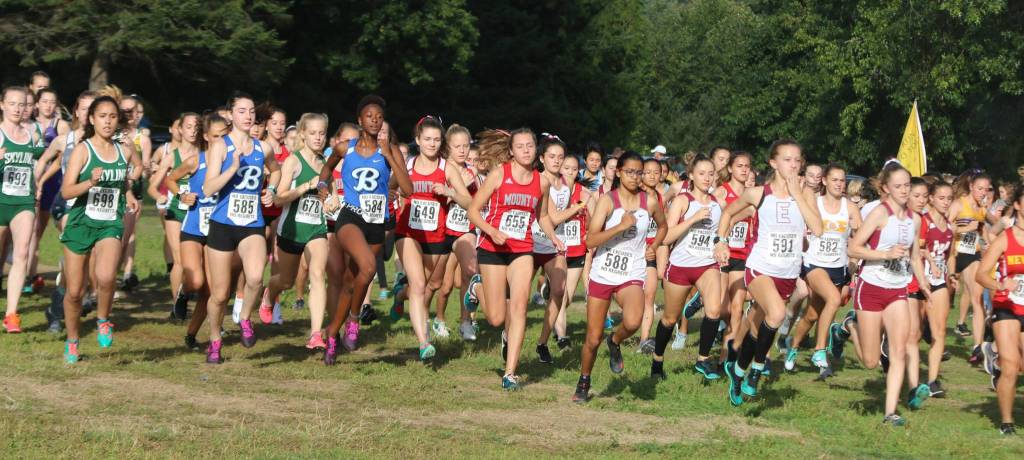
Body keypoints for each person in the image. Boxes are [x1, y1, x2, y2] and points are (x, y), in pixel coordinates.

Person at [714, 139, 823, 406]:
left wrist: (798, 194)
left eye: (798, 160)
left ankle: (738, 371)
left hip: (787, 273)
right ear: (773, 163)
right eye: (787, 159)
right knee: (776, 314)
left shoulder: (806, 195)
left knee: (757, 324)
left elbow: (818, 230)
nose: (793, 165)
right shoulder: (758, 194)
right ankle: (757, 369)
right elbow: (728, 213)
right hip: (760, 268)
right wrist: (721, 241)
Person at [317, 95, 412, 364]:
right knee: (369, 268)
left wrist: (390, 156)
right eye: (369, 116)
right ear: (360, 120)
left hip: (376, 222)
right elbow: (326, 170)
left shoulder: (389, 149)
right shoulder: (344, 148)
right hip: (350, 217)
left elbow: (408, 189)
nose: (374, 120)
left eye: (379, 117)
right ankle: (355, 319)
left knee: (352, 281)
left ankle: (332, 335)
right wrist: (323, 186)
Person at [832, 162, 929, 426]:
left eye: (907, 185)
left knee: (898, 350)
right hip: (871, 287)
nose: (904, 190)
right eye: (898, 186)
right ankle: (850, 325)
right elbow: (853, 249)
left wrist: (923, 283)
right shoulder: (879, 214)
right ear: (885, 188)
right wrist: (885, 254)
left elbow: (915, 257)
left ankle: (890, 413)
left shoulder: (915, 220)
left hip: (898, 290)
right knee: (871, 361)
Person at [466, 128, 563, 390]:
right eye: (520, 146)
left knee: (518, 308)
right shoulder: (499, 175)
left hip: (522, 249)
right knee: (496, 318)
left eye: (530, 146)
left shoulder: (541, 182)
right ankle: (476, 287)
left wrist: (553, 236)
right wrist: (492, 231)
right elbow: (473, 212)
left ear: (536, 149)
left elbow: (542, 215)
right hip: (493, 247)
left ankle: (510, 373)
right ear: (511, 151)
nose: (526, 150)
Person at [572, 152, 666, 402]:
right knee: (592, 339)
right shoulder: (607, 201)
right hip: (603, 273)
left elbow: (664, 226)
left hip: (632, 272)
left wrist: (654, 245)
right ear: (619, 172)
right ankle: (584, 380)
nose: (636, 177)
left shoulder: (650, 201)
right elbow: (590, 240)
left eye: (640, 172)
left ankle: (614, 341)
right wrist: (619, 227)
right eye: (630, 172)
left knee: (634, 321)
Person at [58, 95, 141, 362]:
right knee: (74, 291)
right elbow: (66, 190)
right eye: (102, 116)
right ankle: (72, 340)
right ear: (92, 119)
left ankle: (103, 319)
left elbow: (137, 167)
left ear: (118, 120)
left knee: (106, 278)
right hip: (81, 222)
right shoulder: (83, 150)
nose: (107, 121)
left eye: (113, 116)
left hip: (109, 223)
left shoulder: (124, 150)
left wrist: (127, 190)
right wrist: (89, 184)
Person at [201, 92, 281, 363]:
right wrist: (231, 168)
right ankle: (214, 339)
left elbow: (276, 170)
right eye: (242, 111)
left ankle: (245, 318)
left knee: (256, 277)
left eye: (250, 112)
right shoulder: (221, 147)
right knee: (220, 294)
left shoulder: (263, 148)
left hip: (252, 223)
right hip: (223, 224)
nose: (248, 116)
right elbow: (208, 187)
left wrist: (271, 190)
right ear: (231, 115)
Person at [392, 116, 473, 359]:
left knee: (428, 285)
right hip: (408, 232)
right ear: (417, 140)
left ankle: (399, 295)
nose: (432, 144)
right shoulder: (406, 165)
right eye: (427, 139)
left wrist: (450, 191)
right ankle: (424, 342)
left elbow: (469, 201)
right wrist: (392, 196)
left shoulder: (446, 168)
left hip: (435, 235)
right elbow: (388, 187)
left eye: (437, 140)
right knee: (418, 285)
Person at [263, 113, 330, 349]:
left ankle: (315, 334)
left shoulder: (325, 165)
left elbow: (327, 199)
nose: (318, 138)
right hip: (291, 229)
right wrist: (303, 187)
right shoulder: (294, 161)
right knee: (286, 281)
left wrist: (331, 202)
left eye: (322, 133)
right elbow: (279, 200)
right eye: (313, 133)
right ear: (303, 134)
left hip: (316, 228)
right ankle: (269, 295)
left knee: (318, 275)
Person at [785, 164, 860, 372]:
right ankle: (820, 350)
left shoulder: (850, 207)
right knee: (834, 300)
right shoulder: (814, 202)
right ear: (825, 181)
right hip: (814, 263)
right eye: (834, 179)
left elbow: (860, 238)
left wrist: (854, 262)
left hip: (838, 267)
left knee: (811, 315)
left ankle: (793, 345)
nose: (839, 184)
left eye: (842, 180)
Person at [656, 154, 724, 380]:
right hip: (681, 266)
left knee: (714, 310)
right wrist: (693, 219)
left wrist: (721, 244)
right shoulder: (683, 200)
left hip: (707, 264)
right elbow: (666, 237)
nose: (707, 178)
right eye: (702, 173)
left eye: (711, 174)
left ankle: (703, 360)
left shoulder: (717, 203)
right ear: (692, 176)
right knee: (669, 318)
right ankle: (657, 360)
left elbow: (720, 234)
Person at [164, 113, 228, 349]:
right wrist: (182, 195)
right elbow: (170, 179)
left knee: (211, 291)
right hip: (192, 228)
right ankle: (183, 290)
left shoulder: (232, 164)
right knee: (196, 281)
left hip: (217, 232)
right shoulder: (196, 161)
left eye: (224, 136)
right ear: (205, 137)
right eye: (215, 136)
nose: (221, 141)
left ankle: (191, 335)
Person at [35, 90, 97, 332]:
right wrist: (36, 183)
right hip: (67, 205)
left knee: (81, 266)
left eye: (92, 109)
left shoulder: (105, 143)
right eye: (83, 108)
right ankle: (67, 306)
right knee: (78, 253)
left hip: (93, 207)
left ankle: (55, 309)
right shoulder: (65, 140)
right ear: (77, 111)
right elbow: (44, 160)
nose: (87, 113)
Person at [975, 186, 1024, 435]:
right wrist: (1000, 284)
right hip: (1007, 306)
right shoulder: (1006, 238)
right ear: (1017, 205)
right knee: (1011, 365)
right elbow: (981, 274)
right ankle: (1006, 423)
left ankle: (994, 364)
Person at [428, 124, 483, 341]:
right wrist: (451, 193)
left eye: (466, 146)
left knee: (470, 272)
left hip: (465, 230)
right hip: (444, 231)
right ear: (446, 147)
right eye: (457, 146)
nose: (462, 150)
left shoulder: (472, 173)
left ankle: (465, 321)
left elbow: (475, 203)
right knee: (443, 283)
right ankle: (438, 319)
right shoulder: (441, 168)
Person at [147, 112, 201, 319]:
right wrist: (161, 198)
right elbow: (153, 187)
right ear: (180, 129)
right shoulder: (172, 155)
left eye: (196, 127)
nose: (192, 131)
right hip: (175, 211)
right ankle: (177, 304)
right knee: (179, 260)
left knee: (199, 261)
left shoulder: (206, 155)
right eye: (188, 127)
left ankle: (188, 294)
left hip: (198, 213)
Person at [0, 86, 45, 332]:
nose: (18, 109)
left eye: (22, 104)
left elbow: (40, 160)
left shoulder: (31, 134)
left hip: (23, 203)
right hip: (0, 201)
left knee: (21, 254)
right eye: (13, 103)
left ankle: (11, 314)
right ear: (2, 105)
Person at [948, 172, 995, 363]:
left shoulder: (982, 208)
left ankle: (977, 347)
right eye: (980, 188)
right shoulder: (959, 204)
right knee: (940, 301)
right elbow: (945, 227)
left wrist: (990, 244)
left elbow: (983, 229)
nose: (983, 192)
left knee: (976, 297)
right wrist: (965, 228)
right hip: (952, 254)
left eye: (986, 189)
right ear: (971, 187)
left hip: (971, 255)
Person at [713, 152, 754, 364]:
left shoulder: (752, 194)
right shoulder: (721, 192)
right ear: (730, 168)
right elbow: (719, 222)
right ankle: (699, 300)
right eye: (739, 166)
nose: (744, 170)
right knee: (723, 309)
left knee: (737, 309)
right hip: (723, 255)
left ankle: (726, 358)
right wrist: (740, 214)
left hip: (742, 255)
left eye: (747, 166)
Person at [117, 94, 151, 292]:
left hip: (133, 191)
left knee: (128, 235)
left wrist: (145, 169)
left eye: (133, 110)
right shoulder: (113, 134)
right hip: (113, 190)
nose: (130, 114)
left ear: (139, 114)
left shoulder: (142, 138)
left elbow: (144, 169)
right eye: (125, 110)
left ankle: (127, 272)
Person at [636, 157, 664, 353]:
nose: (652, 175)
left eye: (656, 171)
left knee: (650, 296)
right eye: (648, 172)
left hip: (650, 252)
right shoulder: (636, 196)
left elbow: (663, 225)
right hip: (632, 252)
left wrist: (655, 246)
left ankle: (644, 340)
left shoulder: (660, 197)